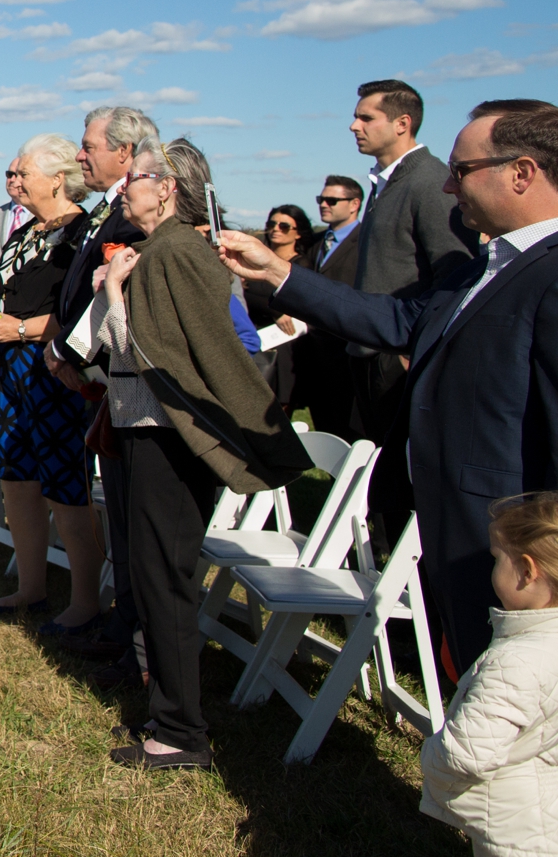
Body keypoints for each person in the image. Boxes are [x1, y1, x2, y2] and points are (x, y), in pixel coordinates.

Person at [222, 99, 558, 678]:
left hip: (511, 541)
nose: (449, 188)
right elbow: (395, 320)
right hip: (454, 522)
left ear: (522, 173)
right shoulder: (482, 266)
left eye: (463, 171)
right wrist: (278, 273)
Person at [94, 136, 311, 771]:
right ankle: (170, 713)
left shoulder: (172, 252)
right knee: (156, 572)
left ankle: (180, 730)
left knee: (165, 576)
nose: (122, 189)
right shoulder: (165, 250)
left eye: (132, 178)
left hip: (167, 435)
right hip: (150, 429)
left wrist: (112, 294)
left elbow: (151, 356)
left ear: (166, 188)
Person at [0, 133, 105, 634]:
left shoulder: (80, 238)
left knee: (64, 484)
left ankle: (85, 601)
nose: (15, 180)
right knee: (16, 477)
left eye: (24, 172)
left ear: (57, 178)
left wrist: (20, 329)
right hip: (6, 371)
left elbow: (83, 315)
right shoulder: (25, 232)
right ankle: (31, 587)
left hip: (50, 369)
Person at [344, 79, 482, 541]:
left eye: (367, 118)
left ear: (402, 124)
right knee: (380, 478)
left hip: (399, 355)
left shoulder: (428, 182)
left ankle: (411, 603)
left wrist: (420, 342)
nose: (354, 125)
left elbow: (456, 269)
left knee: (404, 485)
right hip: (372, 351)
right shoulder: (388, 184)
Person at [46, 106, 158, 667]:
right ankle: (123, 624)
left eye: (88, 145)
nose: (80, 154)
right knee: (118, 508)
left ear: (124, 151)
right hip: (102, 382)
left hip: (129, 383)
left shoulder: (139, 216)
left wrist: (71, 351)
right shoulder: (105, 210)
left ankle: (137, 643)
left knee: (137, 517)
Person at [420, 491, 558, 856]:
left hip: (515, 830)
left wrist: (430, 754)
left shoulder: (516, 663)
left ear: (527, 572)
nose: (492, 567)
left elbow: (466, 753)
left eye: (498, 558)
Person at [287, 175, 367, 438]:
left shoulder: (366, 240)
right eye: (321, 199)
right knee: (324, 423)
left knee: (350, 426)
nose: (324, 205)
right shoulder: (317, 243)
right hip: (315, 349)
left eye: (332, 200)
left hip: (346, 348)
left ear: (355, 204)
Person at [242, 204, 313, 413]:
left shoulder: (302, 265)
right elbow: (242, 294)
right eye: (272, 224)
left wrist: (257, 297)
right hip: (255, 336)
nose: (275, 229)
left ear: (298, 233)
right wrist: (275, 310)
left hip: (285, 344)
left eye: (284, 226)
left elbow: (297, 300)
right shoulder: (251, 260)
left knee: (279, 407)